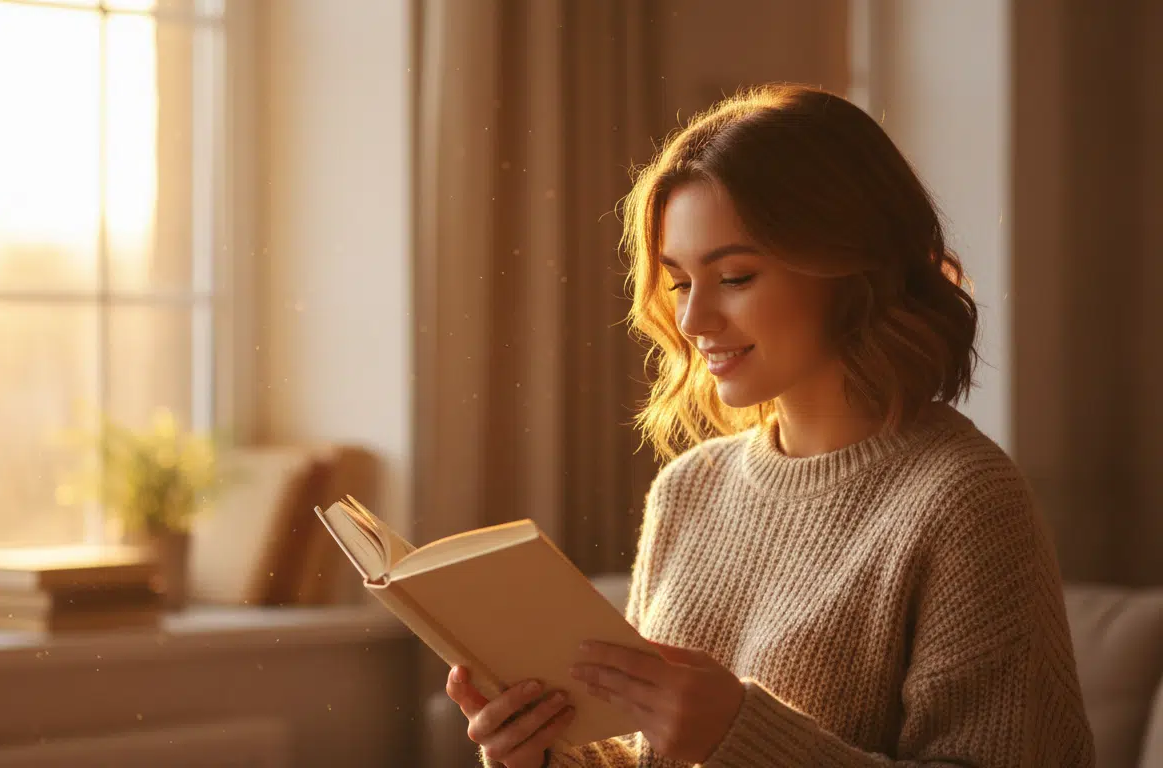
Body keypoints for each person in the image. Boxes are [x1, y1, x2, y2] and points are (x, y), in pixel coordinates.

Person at [444, 84, 1096, 768]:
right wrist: (541, 756)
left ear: (852, 270)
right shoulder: (688, 488)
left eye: (734, 277)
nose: (693, 322)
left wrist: (741, 737)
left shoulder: (963, 501)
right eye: (679, 283)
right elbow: (647, 757)